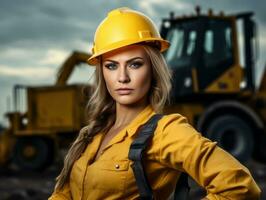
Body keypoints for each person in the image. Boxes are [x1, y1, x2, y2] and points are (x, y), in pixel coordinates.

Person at [49, 7, 261, 200]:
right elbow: (63, 194)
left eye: (135, 64)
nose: (122, 77)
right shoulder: (91, 134)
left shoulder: (165, 132)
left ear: (153, 69)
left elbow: (240, 187)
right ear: (102, 72)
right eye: (112, 66)